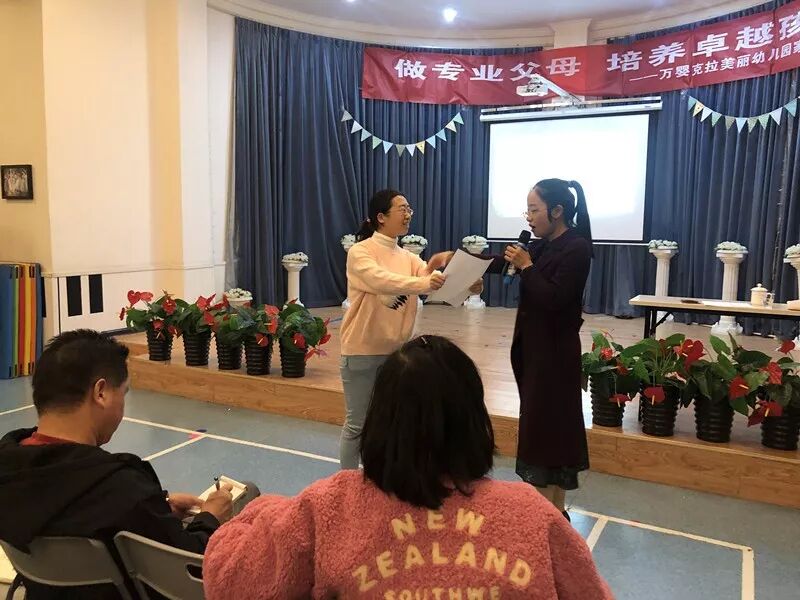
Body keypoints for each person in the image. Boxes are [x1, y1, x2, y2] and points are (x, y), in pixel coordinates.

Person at [203, 335, 613, 599]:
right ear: (474, 420)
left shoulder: (326, 507)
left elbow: (232, 582)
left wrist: (243, 516)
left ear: (380, 418)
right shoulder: (531, 514)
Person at [0, 330, 256, 599]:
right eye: (123, 393)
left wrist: (157, 505)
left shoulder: (9, 467)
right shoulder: (120, 487)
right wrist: (209, 518)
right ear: (101, 393)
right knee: (247, 493)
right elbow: (188, 566)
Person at [492, 178, 594, 519]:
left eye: (534, 210)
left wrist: (527, 267)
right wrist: (457, 260)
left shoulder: (576, 247)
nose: (529, 218)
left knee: (552, 432)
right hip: (535, 353)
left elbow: (555, 299)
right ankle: (551, 513)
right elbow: (500, 261)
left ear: (558, 210)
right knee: (542, 429)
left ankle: (550, 515)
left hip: (555, 357)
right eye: (528, 210)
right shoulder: (541, 246)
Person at [337, 188, 457, 469]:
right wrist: (426, 281)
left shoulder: (407, 257)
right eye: (402, 209)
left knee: (392, 422)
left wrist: (460, 279)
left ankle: (382, 477)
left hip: (398, 353)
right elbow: (381, 280)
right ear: (381, 217)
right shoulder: (360, 252)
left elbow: (429, 280)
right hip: (362, 352)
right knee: (358, 424)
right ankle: (346, 483)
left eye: (409, 209)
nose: (408, 214)